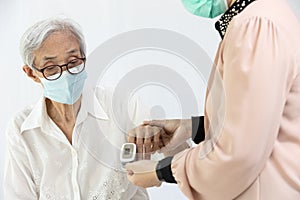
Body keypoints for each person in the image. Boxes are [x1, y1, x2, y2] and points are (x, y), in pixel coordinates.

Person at [126, 0, 300, 199]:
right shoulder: (266, 15)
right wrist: (194, 127)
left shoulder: (257, 25)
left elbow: (240, 154)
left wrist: (161, 171)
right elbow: (261, 119)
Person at [4, 18, 149, 199]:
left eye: (73, 62)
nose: (65, 74)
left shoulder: (122, 105)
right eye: (51, 68)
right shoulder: (21, 129)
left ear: (84, 59)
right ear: (31, 73)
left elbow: (172, 160)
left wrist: (158, 138)